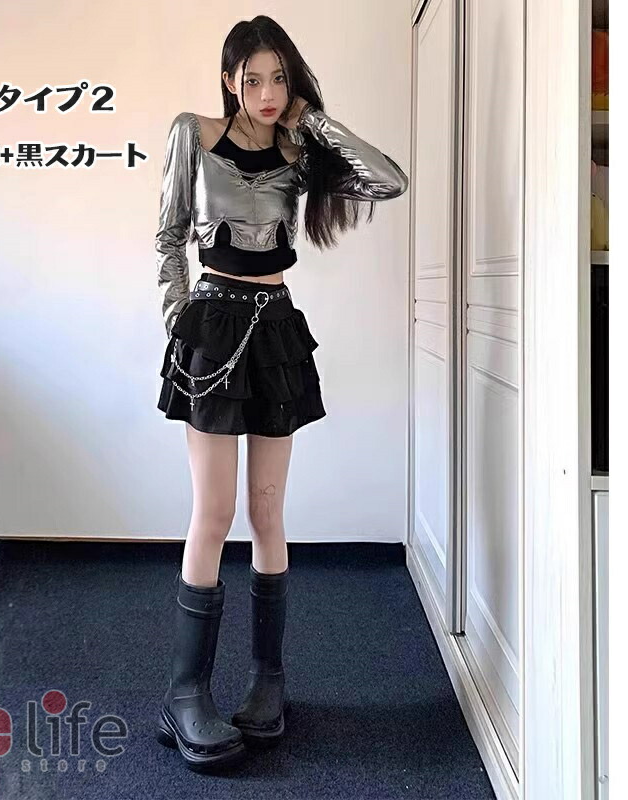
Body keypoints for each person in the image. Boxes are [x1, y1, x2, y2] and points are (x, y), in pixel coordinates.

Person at [154, 15, 409, 771]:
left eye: (280, 79)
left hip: (275, 328)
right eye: (253, 78)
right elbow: (169, 235)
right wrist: (179, 320)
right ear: (229, 79)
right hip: (213, 325)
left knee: (268, 513)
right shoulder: (193, 134)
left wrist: (314, 121)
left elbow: (388, 181)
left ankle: (269, 680)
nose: (266, 92)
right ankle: (185, 693)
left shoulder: (300, 151)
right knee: (214, 512)